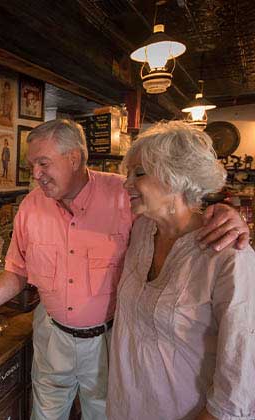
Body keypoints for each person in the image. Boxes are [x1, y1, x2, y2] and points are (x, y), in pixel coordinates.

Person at [0, 119, 249, 420]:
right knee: (44, 413)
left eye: (43, 163)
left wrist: (222, 213)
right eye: (32, 166)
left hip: (109, 342)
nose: (36, 174)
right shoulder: (31, 205)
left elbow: (178, 212)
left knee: (100, 412)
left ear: (73, 158)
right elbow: (17, 269)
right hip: (51, 334)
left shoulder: (124, 197)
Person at [107, 121, 255, 420]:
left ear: (175, 177)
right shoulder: (142, 231)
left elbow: (240, 375)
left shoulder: (230, 256)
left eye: (138, 173)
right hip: (126, 406)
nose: (126, 184)